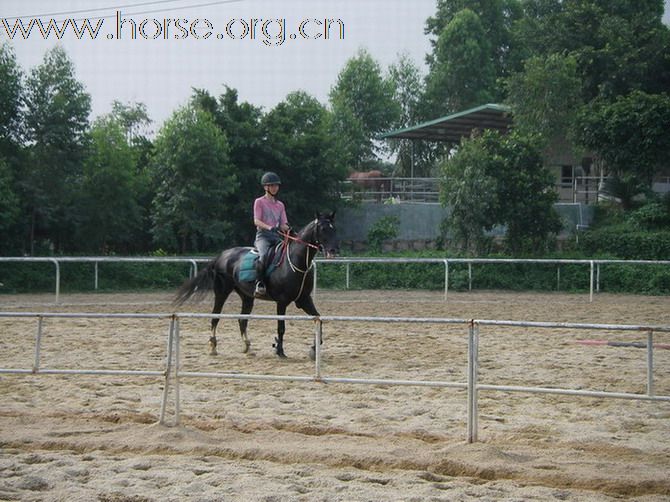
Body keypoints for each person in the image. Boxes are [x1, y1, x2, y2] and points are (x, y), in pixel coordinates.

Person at [253, 171, 290, 297]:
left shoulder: (280, 205)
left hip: (276, 237)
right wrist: (270, 227)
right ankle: (260, 283)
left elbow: (284, 223)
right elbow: (256, 221)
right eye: (272, 185)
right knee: (263, 256)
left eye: (276, 185)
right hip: (263, 237)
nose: (275, 188)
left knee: (287, 255)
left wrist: (289, 229)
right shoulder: (259, 202)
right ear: (266, 187)